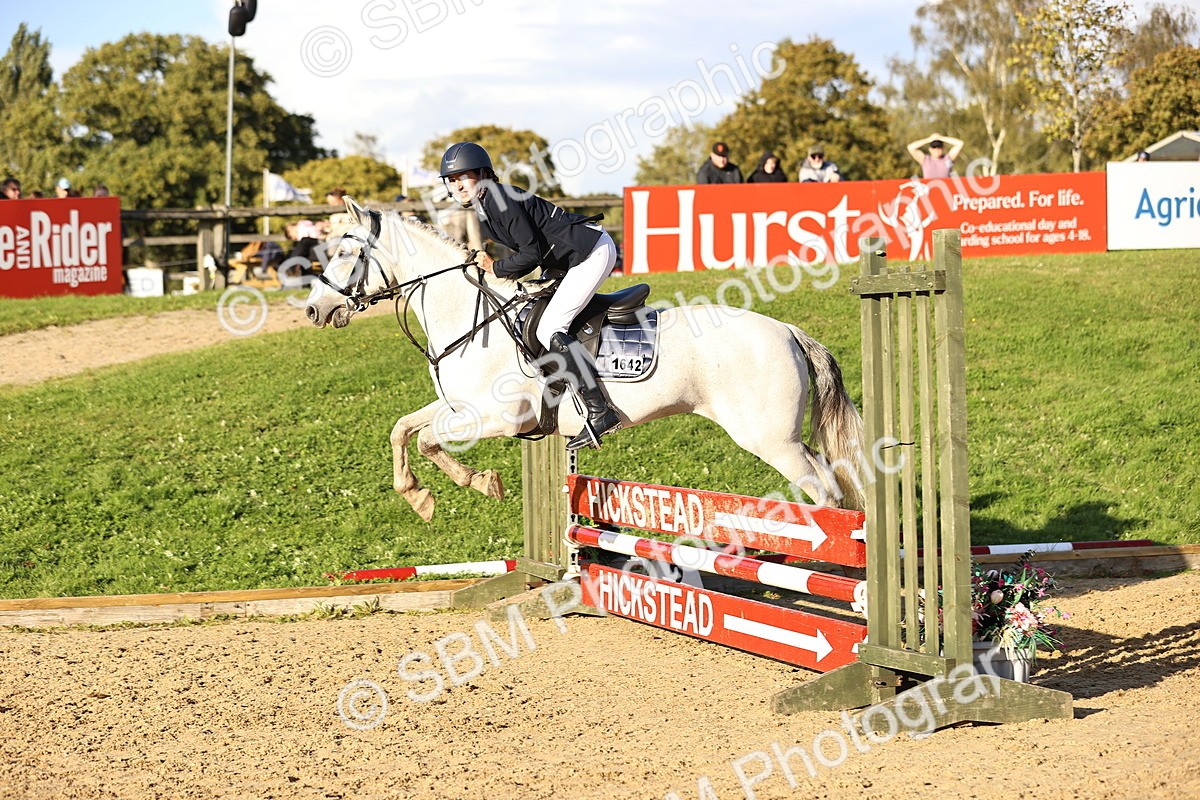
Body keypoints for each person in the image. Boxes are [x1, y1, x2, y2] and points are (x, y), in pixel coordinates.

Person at [439, 141, 621, 450]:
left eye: (463, 177)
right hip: (565, 259)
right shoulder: (488, 205)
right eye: (452, 180)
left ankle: (600, 410)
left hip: (589, 252)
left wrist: (495, 267)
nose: (457, 185)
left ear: (483, 174)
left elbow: (531, 253)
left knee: (550, 327)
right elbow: (530, 253)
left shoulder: (497, 199)